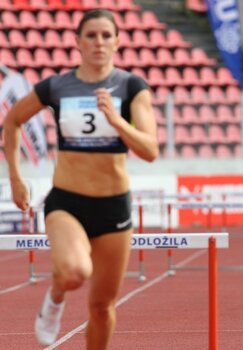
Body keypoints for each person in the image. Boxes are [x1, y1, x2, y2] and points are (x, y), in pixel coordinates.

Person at [3, 9, 158, 348]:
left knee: (102, 307)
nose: (99, 42)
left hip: (114, 207)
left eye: (106, 35)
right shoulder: (58, 86)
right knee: (75, 272)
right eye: (91, 35)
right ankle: (56, 295)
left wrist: (117, 122)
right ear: (77, 41)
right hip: (67, 202)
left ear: (117, 41)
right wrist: (15, 176)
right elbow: (12, 121)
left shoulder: (132, 87)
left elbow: (150, 150)